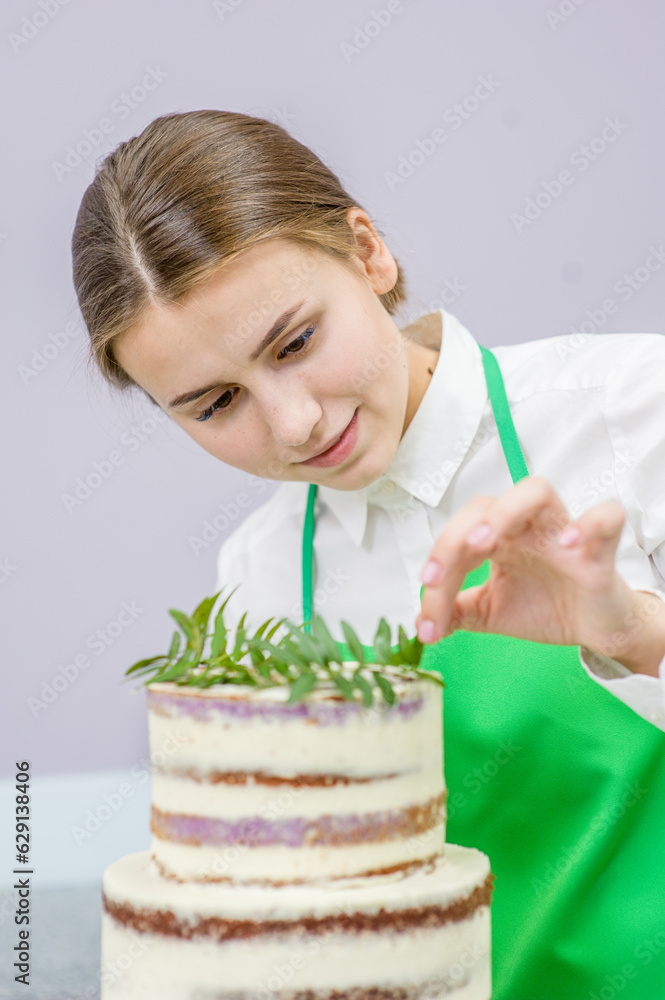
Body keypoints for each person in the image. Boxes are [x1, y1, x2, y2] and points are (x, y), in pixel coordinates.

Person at [71, 108, 665, 999]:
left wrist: (635, 635)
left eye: (298, 342)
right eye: (214, 403)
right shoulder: (259, 575)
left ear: (367, 252)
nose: (294, 423)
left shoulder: (631, 410)